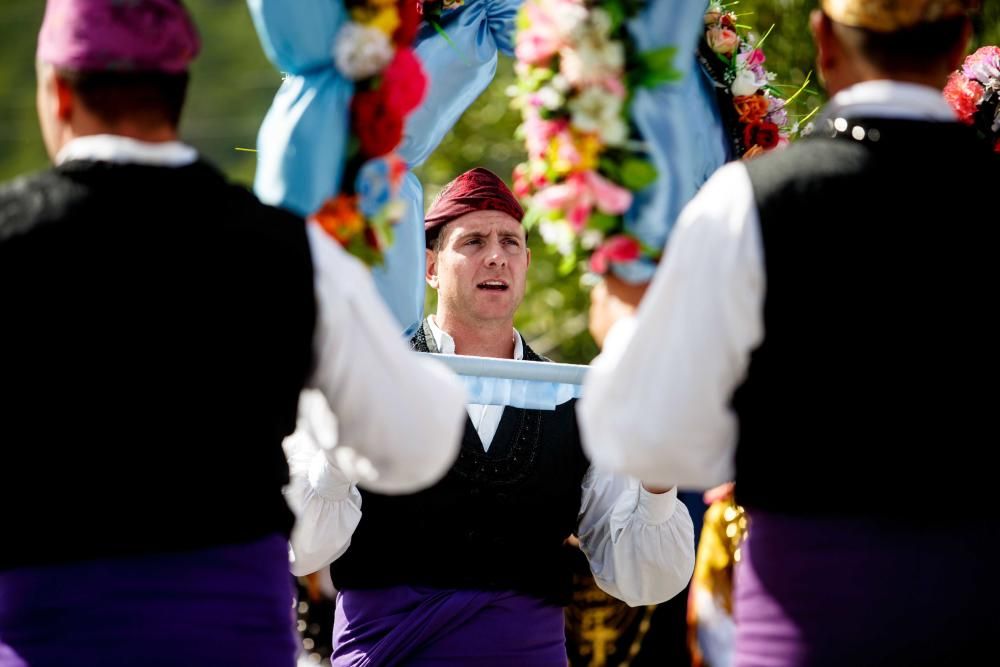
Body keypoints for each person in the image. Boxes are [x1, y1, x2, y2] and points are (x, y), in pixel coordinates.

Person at [0, 2, 466, 665]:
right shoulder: (291, 250)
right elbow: (414, 446)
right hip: (232, 638)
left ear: (56, 92)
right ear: (180, 92)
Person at [579, 0, 998, 665]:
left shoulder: (747, 199)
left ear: (825, 40)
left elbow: (653, 439)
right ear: (961, 44)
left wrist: (624, 327)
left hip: (809, 619)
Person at [283, 167, 695, 666]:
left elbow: (642, 580)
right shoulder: (366, 381)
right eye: (473, 241)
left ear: (526, 262)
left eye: (511, 242)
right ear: (430, 267)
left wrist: (657, 484)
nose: (496, 255)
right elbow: (300, 548)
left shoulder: (576, 397)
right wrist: (344, 433)